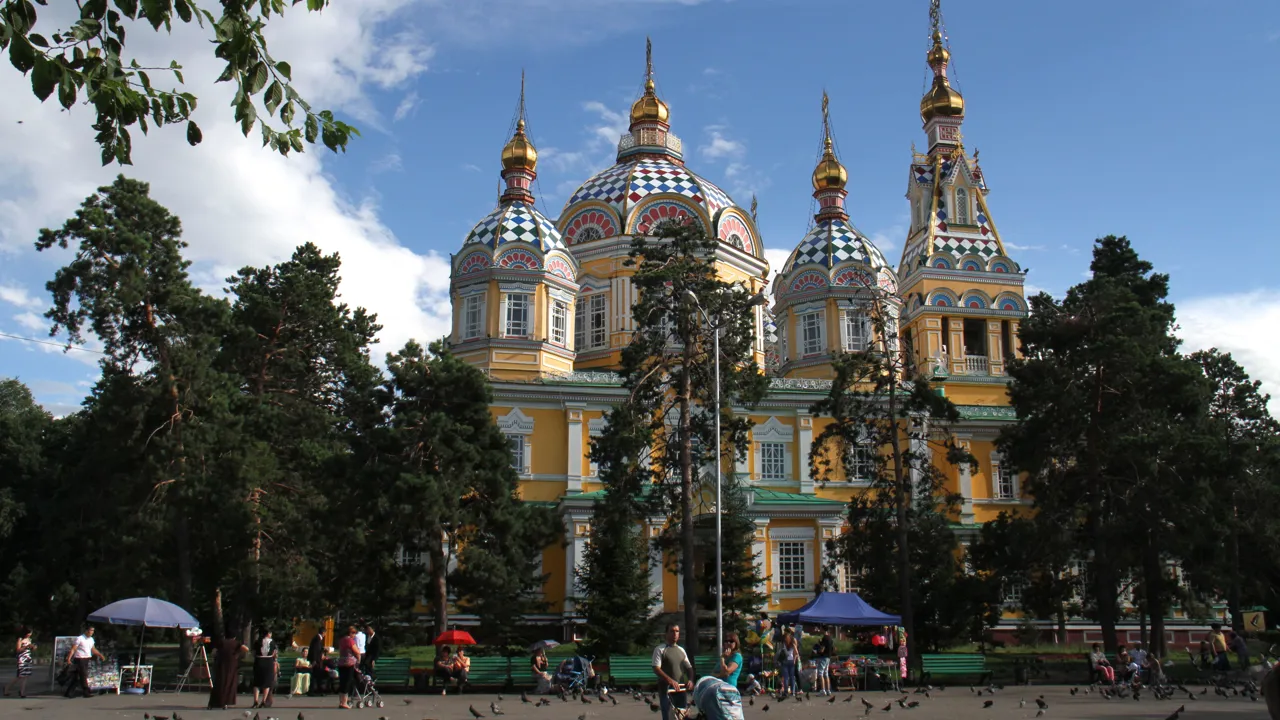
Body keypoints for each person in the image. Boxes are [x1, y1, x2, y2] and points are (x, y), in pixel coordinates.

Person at [653, 623, 693, 720]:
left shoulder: (681, 650)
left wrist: (691, 680)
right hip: (667, 689)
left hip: (681, 689)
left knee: (682, 717)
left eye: (677, 631)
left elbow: (689, 667)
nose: (674, 634)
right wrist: (669, 680)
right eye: (672, 631)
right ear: (666, 634)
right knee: (668, 716)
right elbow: (656, 668)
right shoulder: (660, 649)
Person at [207, 628, 248, 710]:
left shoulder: (222, 642)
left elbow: (214, 652)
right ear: (234, 637)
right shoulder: (236, 643)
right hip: (232, 666)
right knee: (229, 684)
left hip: (221, 665)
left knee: (219, 683)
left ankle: (214, 703)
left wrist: (216, 656)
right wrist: (237, 654)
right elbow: (246, 649)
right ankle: (225, 702)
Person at [64, 626, 106, 699]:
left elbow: (93, 649)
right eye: (90, 630)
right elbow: (73, 649)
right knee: (83, 675)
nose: (91, 632)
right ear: (86, 630)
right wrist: (69, 658)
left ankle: (69, 692)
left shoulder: (91, 639)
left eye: (93, 631)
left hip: (86, 659)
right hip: (79, 659)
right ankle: (86, 692)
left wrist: (100, 655)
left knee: (77, 677)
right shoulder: (80, 638)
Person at [4, 626, 35, 698]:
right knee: (20, 676)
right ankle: (7, 688)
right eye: (28, 633)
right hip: (22, 659)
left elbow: (30, 649)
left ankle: (22, 692)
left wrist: (32, 647)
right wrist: (26, 647)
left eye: (30, 633)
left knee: (25, 676)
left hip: (28, 658)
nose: (29, 635)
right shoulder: (20, 639)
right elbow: (18, 650)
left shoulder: (29, 639)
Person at [336, 625, 362, 710]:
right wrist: (358, 660)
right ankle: (344, 702)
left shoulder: (341, 640)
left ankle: (341, 701)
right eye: (354, 633)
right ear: (350, 633)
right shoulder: (350, 641)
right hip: (349, 663)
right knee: (347, 682)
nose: (354, 635)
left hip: (341, 663)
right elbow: (357, 652)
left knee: (342, 682)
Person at [252, 629, 278, 708]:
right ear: (268, 634)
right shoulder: (272, 642)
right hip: (268, 661)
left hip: (259, 660)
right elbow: (274, 653)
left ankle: (255, 701)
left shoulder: (258, 641)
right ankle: (263, 701)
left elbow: (253, 653)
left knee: (257, 681)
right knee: (267, 682)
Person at [776, 628, 798, 696]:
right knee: (792, 677)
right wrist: (794, 660)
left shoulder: (784, 643)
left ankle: (785, 691)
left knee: (786, 677)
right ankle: (793, 692)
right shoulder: (793, 641)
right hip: (791, 660)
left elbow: (780, 651)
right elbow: (796, 653)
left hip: (785, 660)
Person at [812, 628, 833, 696]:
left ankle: (823, 690)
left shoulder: (825, 638)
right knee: (826, 673)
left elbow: (822, 650)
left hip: (823, 657)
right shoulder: (830, 638)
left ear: (823, 630)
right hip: (828, 657)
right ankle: (828, 690)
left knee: (820, 673)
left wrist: (816, 651)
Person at [307, 629, 328, 696]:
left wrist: (323, 649)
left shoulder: (317, 638)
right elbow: (315, 651)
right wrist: (314, 661)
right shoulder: (317, 639)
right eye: (325, 633)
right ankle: (313, 691)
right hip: (316, 661)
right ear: (323, 632)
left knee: (317, 676)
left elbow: (317, 649)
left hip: (316, 660)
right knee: (316, 676)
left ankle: (317, 690)